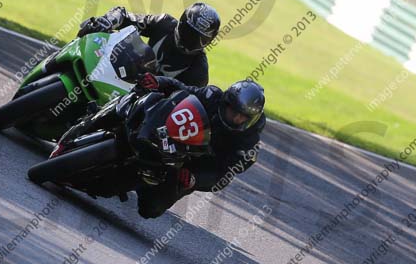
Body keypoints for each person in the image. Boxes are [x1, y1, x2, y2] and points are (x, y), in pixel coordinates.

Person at [52, 73, 265, 219]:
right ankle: (85, 125)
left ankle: (124, 181)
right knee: (132, 102)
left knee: (150, 209)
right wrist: (157, 81)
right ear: (226, 102)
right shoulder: (212, 96)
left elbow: (222, 176)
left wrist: (194, 179)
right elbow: (182, 89)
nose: (236, 117)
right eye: (233, 111)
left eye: (242, 116)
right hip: (166, 133)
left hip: (186, 165)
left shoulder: (247, 145)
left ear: (251, 119)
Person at [76, 3, 221, 87]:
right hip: (123, 74)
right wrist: (108, 20)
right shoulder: (164, 23)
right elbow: (126, 16)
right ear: (181, 23)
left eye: (199, 38)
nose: (190, 40)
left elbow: (182, 104)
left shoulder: (198, 71)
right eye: (188, 32)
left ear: (209, 41)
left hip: (142, 106)